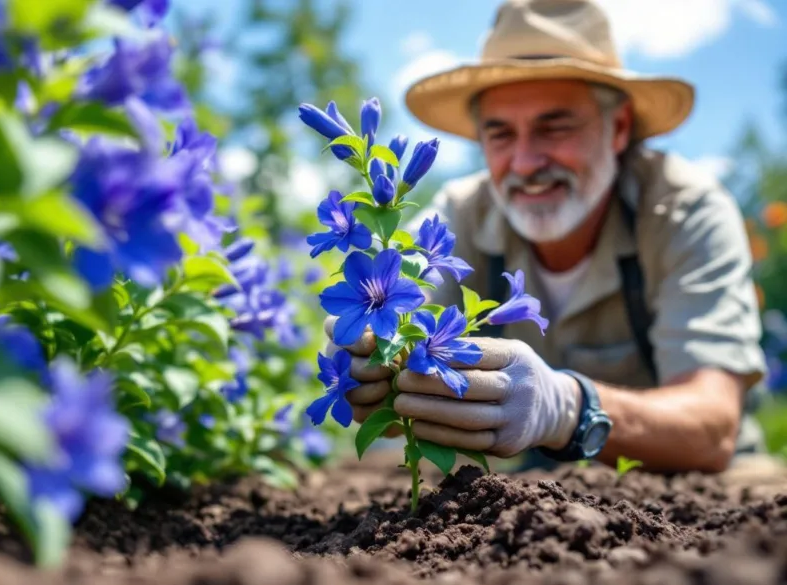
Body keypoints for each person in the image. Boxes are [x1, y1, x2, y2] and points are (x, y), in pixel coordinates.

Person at [326, 0, 772, 473]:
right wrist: (369, 359)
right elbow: (398, 330)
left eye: (554, 126)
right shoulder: (460, 213)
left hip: (702, 490)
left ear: (618, 127)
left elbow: (712, 426)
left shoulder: (684, 211)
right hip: (537, 493)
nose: (525, 163)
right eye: (499, 134)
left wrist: (568, 409)